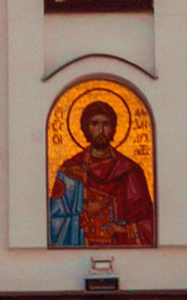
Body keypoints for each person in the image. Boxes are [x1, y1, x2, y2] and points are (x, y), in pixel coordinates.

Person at [46, 101, 156, 248]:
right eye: (94, 124)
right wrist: (86, 214)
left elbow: (149, 223)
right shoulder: (70, 170)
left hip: (121, 249)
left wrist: (122, 229)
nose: (100, 130)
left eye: (106, 124)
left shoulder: (130, 171)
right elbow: (53, 223)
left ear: (114, 128)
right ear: (85, 128)